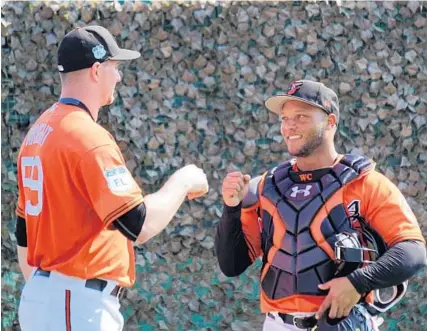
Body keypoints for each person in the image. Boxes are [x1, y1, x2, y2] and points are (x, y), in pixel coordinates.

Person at [15, 25, 209, 331]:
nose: (118, 76)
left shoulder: (39, 131)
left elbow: (24, 233)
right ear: (95, 70)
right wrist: (183, 181)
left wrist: (44, 291)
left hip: (52, 296)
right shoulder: (86, 136)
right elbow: (140, 224)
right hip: (75, 302)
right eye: (114, 67)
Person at [215, 79, 426, 330]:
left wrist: (358, 282)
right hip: (278, 324)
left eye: (302, 116)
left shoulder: (365, 183)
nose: (289, 126)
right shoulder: (265, 188)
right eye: (285, 118)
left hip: (342, 322)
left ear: (331, 122)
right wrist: (231, 208)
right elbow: (232, 265)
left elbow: (413, 251)